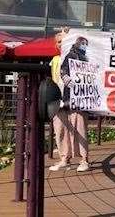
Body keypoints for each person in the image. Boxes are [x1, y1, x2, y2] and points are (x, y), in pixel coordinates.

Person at [48, 31, 90, 172]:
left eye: (65, 41)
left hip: (75, 98)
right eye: (59, 41)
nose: (62, 44)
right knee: (60, 129)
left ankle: (84, 160)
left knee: (79, 128)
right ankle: (64, 159)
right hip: (58, 99)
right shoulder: (54, 60)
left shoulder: (79, 56)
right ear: (56, 45)